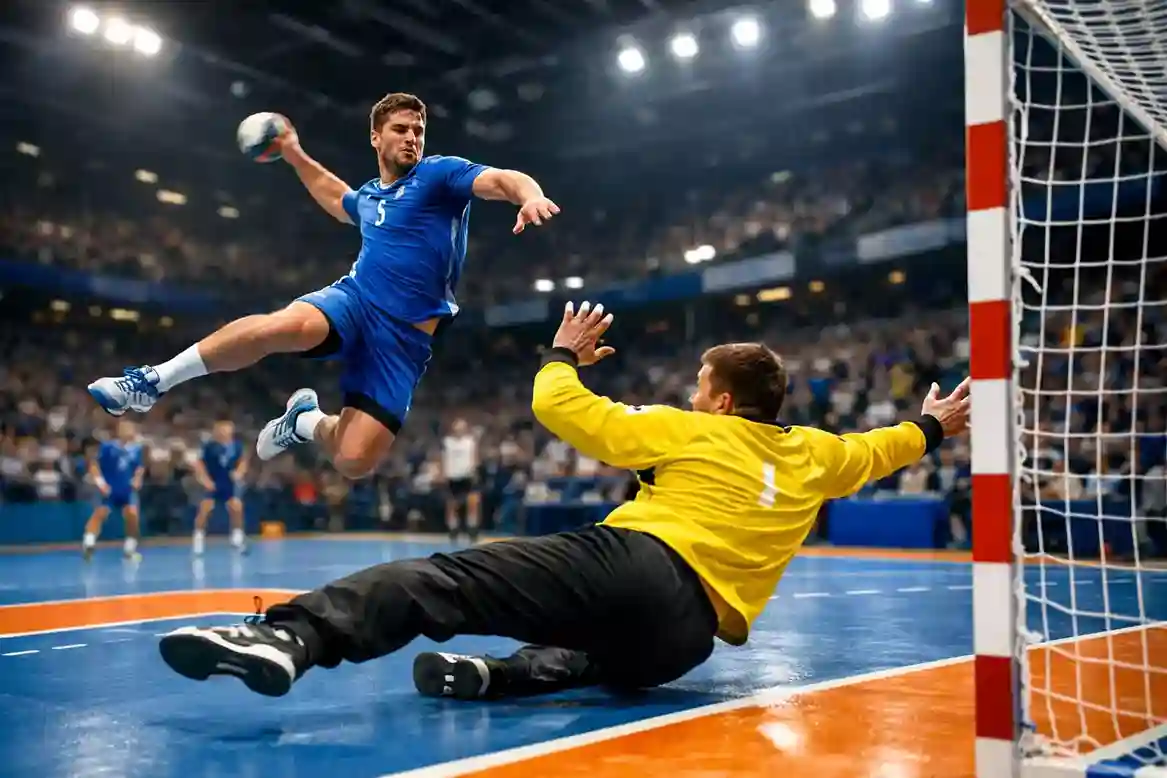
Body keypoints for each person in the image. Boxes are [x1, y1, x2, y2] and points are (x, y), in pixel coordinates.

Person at [156, 301, 972, 700]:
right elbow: (882, 451)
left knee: (448, 581)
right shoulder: (817, 455)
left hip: (641, 564)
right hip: (686, 644)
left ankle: (290, 637)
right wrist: (930, 427)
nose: (692, 392)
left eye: (700, 384)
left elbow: (560, 409)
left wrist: (561, 353)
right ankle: (501, 677)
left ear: (721, 402)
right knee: (593, 659)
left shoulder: (685, 430)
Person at [87, 92, 559, 479]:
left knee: (354, 461)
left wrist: (530, 194)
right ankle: (151, 381)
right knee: (280, 328)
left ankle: (306, 421)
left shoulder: (439, 175)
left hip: (406, 340)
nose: (412, 137)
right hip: (355, 301)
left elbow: (500, 179)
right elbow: (337, 197)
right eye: (400, 128)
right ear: (376, 137)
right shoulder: (372, 196)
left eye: (418, 130)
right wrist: (293, 153)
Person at [82, 420, 144, 562]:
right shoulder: (107, 447)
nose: (129, 431)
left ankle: (130, 550)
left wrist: (137, 479)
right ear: (119, 431)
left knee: (132, 516)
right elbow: (94, 465)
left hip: (127, 490)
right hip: (109, 489)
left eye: (131, 428)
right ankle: (88, 544)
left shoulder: (136, 449)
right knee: (100, 514)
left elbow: (139, 467)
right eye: (125, 428)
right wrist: (101, 483)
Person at [192, 420, 249, 556]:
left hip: (229, 483)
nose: (225, 433)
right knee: (205, 509)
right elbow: (199, 465)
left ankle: (237, 538)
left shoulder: (236, 446)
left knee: (236, 507)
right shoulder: (208, 447)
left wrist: (239, 473)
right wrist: (205, 481)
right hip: (213, 482)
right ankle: (198, 540)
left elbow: (242, 461)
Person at [441, 418, 481, 543]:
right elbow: (443, 458)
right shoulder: (447, 442)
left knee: (472, 503)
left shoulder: (470, 442)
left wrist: (474, 470)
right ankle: (453, 529)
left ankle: (472, 528)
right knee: (452, 505)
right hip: (452, 476)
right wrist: (443, 473)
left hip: (467, 475)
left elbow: (474, 457)